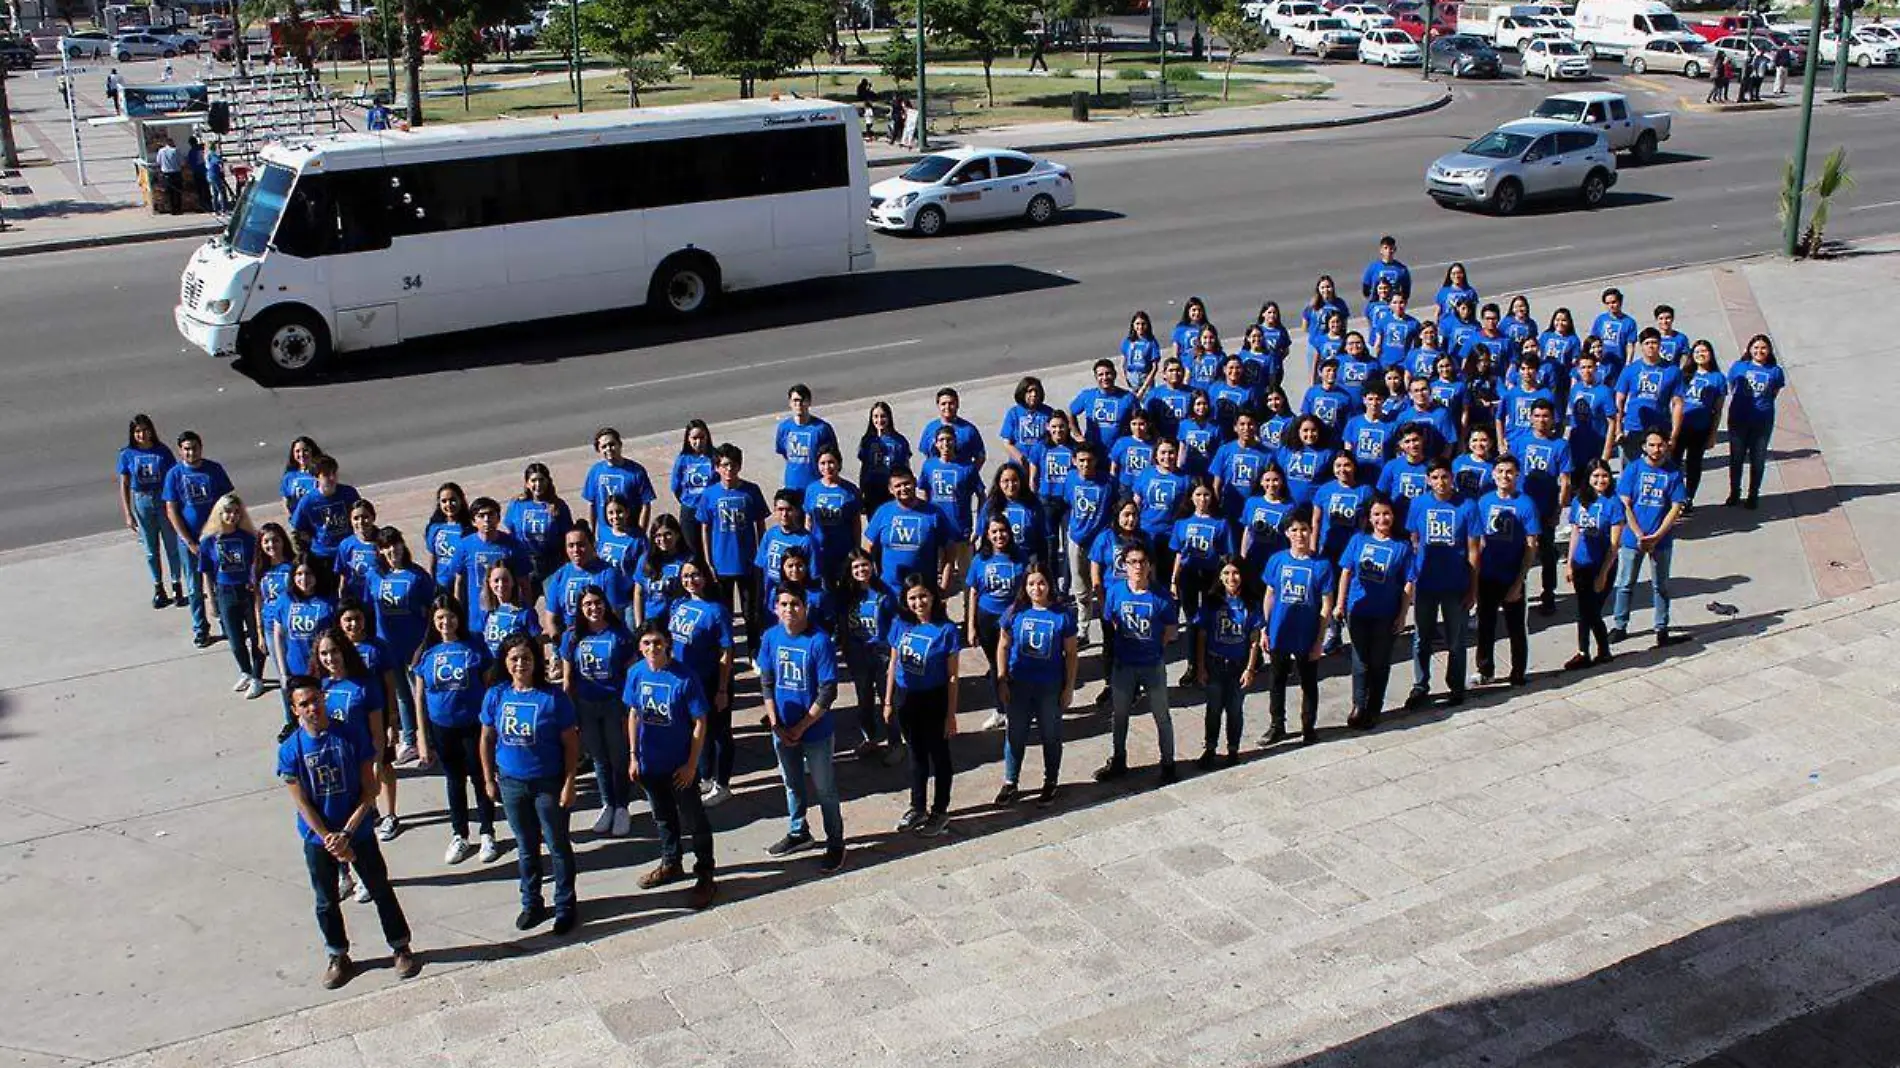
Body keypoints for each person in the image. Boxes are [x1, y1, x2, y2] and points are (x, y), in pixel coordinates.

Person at [277, 676, 420, 990]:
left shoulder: (350, 735)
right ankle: (338, 955)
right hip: (319, 839)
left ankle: (400, 947)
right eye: (304, 704)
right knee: (326, 900)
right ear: (294, 709)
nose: (312, 708)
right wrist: (329, 838)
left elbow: (370, 791)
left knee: (380, 888)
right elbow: (301, 803)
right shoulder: (291, 750)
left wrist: (347, 832)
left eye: (316, 700)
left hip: (358, 830)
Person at [481, 634, 582, 935]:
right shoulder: (497, 695)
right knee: (526, 848)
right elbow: (486, 738)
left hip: (548, 783)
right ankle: (531, 903)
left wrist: (570, 782)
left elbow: (571, 744)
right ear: (505, 662)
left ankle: (565, 905)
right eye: (514, 658)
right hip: (512, 782)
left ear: (536, 661)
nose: (520, 663)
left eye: (526, 657)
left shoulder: (553, 698)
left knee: (557, 845)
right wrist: (488, 778)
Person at [624, 621, 718, 909]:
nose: (652, 648)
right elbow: (634, 713)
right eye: (647, 643)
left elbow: (700, 722)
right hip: (650, 763)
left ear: (667, 644)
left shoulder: (684, 678)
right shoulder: (636, 673)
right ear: (640, 647)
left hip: (680, 765)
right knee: (662, 816)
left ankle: (705, 874)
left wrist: (692, 764)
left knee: (695, 820)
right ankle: (671, 862)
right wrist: (633, 755)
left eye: (657, 642)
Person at [758, 587, 846, 872]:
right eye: (783, 604)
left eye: (795, 604)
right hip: (782, 729)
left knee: (825, 790)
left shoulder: (819, 641)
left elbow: (828, 692)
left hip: (815, 731)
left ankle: (835, 842)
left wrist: (802, 726)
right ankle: (799, 832)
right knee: (792, 784)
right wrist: (775, 723)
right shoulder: (770, 637)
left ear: (805, 607)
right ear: (775, 608)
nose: (789, 610)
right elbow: (767, 682)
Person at [412, 596, 500, 865]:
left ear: (458, 618)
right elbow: (419, 698)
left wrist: (491, 728)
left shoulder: (475, 645)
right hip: (442, 727)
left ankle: (487, 832)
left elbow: (488, 685)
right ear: (433, 622)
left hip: (473, 725)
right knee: (454, 780)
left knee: (479, 776)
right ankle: (460, 833)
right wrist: (422, 738)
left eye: (450, 616)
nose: (446, 622)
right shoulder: (426, 653)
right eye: (440, 618)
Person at [1097, 544, 1179, 784]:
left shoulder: (1161, 596)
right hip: (1124, 664)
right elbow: (1111, 621)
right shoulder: (1115, 592)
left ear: (1150, 566)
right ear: (1124, 565)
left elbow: (1171, 630)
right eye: (1132, 562)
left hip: (1151, 664)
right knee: (1119, 715)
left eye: (1142, 561)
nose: (1138, 567)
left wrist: (1154, 647)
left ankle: (1168, 763)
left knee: (1161, 715)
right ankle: (1119, 759)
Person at [885, 577, 961, 835]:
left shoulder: (947, 629)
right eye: (913, 598)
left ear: (933, 598)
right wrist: (887, 701)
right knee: (915, 755)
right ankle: (917, 806)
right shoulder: (900, 625)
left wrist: (951, 714)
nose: (919, 603)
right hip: (906, 698)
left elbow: (952, 676)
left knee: (939, 756)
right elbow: (893, 664)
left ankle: (940, 811)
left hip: (934, 698)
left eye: (923, 596)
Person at [996, 562, 1076, 804]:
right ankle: (1011, 782)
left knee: (1050, 735)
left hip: (1049, 686)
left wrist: (1069, 687)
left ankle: (1050, 780)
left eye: (1041, 583)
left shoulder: (1062, 615)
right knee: (1015, 735)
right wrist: (1001, 679)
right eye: (1031, 583)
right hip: (1019, 684)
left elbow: (1071, 654)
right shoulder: (1014, 612)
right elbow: (1003, 645)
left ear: (1050, 585)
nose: (1037, 588)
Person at [560, 586, 636, 838]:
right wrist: (570, 712)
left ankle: (623, 806)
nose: (594, 608)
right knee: (598, 757)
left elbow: (631, 672)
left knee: (618, 756)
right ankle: (608, 804)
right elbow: (568, 678)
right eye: (588, 605)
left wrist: (629, 708)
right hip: (585, 704)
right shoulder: (572, 637)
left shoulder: (620, 634)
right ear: (580, 609)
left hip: (614, 703)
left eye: (597, 603)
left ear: (605, 604)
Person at [1405, 460, 1480, 710]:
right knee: (1421, 638)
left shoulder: (1467, 505)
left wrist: (1472, 588)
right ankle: (1420, 684)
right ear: (1428, 480)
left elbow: (1473, 551)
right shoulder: (1418, 504)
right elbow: (1414, 541)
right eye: (1435, 477)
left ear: (1452, 477)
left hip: (1455, 583)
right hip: (1426, 583)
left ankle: (1456, 686)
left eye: (1444, 477)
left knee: (1456, 639)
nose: (1440, 482)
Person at [1334, 498, 1414, 729]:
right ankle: (1358, 705)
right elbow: (1346, 573)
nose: (1382, 519)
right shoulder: (1358, 540)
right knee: (1360, 661)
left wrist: (1402, 616)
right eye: (1376, 514)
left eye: (1386, 514)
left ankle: (1374, 706)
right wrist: (1340, 605)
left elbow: (1408, 583)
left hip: (1385, 613)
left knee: (1379, 662)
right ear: (1369, 518)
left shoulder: (1402, 546)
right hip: (1358, 610)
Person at [1260, 509, 1334, 747]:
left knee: (1308, 681)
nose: (1300, 534)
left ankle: (1308, 727)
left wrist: (1319, 639)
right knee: (1277, 680)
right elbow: (1269, 595)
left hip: (1307, 631)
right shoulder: (1277, 560)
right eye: (1294, 530)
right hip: (1280, 629)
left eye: (1304, 529)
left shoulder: (1321, 564)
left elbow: (1326, 603)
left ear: (1311, 531)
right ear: (1286, 533)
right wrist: (1265, 627)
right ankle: (1276, 725)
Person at [1611, 431, 1689, 648]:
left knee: (1661, 586)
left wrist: (1657, 536)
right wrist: (1638, 534)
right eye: (1652, 445)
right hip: (1632, 539)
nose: (1656, 449)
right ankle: (1620, 625)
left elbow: (1676, 508)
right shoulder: (1633, 469)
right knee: (1625, 584)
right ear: (1644, 446)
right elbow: (1624, 503)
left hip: (1661, 541)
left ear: (1666, 446)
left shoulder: (1673, 473)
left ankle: (1661, 628)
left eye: (1660, 445)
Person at [666, 560, 736, 802]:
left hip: (710, 680)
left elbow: (726, 652)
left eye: (695, 575)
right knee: (699, 730)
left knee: (719, 733)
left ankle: (723, 783)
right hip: (686, 681)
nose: (690, 581)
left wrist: (723, 688)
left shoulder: (717, 611)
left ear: (706, 577)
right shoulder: (678, 604)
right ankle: (705, 776)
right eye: (685, 576)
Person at [1471, 455, 1540, 688]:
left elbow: (1531, 545)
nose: (1504, 476)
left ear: (1517, 475)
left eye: (1509, 472)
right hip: (1487, 574)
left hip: (1512, 574)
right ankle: (1485, 669)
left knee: (1516, 627)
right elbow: (1478, 541)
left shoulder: (1526, 504)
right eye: (1500, 471)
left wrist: (1519, 581)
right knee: (1486, 625)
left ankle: (1518, 671)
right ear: (1493, 474)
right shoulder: (1484, 501)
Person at [695, 444, 769, 660]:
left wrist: (761, 554)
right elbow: (705, 527)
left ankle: (754, 651)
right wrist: (708, 561)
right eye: (724, 465)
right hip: (721, 563)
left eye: (733, 465)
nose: (729, 470)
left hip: (747, 562)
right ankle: (727, 651)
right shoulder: (710, 494)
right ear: (717, 467)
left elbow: (760, 524)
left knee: (750, 611)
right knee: (724, 612)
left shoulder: (751, 490)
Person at [163, 430, 235, 647]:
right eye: (186, 449)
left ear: (201, 448)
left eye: (194, 447)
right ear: (180, 451)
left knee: (220, 582)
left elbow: (227, 500)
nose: (191, 452)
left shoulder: (214, 470)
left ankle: (227, 623)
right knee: (195, 586)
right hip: (190, 540)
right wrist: (189, 541)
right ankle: (201, 628)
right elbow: (172, 510)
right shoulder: (175, 474)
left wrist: (225, 528)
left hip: (216, 537)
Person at [1506, 400, 1572, 615]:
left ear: (1553, 419)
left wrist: (1558, 511)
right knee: (1517, 553)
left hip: (1545, 508)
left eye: (1546, 416)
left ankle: (1548, 592)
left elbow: (1565, 480)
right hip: (1522, 507)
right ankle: (1516, 591)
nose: (1541, 420)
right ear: (1530, 417)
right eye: (1537, 415)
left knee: (1546, 553)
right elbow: (1509, 473)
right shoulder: (1519, 442)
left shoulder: (1560, 445)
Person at [1195, 557, 1260, 767]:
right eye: (1226, 573)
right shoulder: (1212, 601)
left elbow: (1254, 639)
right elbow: (1202, 636)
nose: (1231, 578)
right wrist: (1201, 666)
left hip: (1238, 664)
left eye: (1235, 573)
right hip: (1214, 663)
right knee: (1213, 708)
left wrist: (1250, 668)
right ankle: (1210, 748)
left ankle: (1233, 749)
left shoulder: (1250, 603)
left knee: (1235, 709)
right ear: (1220, 577)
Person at [199, 493, 265, 697]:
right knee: (235, 640)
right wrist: (211, 600)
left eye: (237, 512)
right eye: (228, 512)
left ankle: (257, 676)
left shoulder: (249, 538)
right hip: (225, 592)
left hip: (248, 591)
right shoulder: (209, 541)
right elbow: (206, 572)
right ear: (219, 513)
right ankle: (245, 671)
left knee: (256, 637)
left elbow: (258, 565)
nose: (233, 516)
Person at [117, 414, 182, 610]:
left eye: (145, 430)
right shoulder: (127, 454)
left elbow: (174, 478)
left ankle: (176, 584)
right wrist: (128, 513)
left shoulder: (162, 451)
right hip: (142, 500)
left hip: (162, 499)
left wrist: (175, 505)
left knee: (171, 545)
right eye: (137, 431)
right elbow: (125, 484)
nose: (142, 435)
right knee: (151, 550)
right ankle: (158, 587)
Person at [839, 550, 899, 760]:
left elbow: (895, 624)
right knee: (863, 699)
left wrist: (893, 653)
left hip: (882, 654)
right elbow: (843, 625)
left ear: (872, 566)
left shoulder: (884, 594)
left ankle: (895, 743)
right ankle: (870, 738)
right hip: (857, 655)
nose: (861, 570)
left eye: (864, 565)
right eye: (856, 567)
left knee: (887, 698)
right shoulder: (847, 595)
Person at [967, 517, 1028, 723]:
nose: (999, 535)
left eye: (1003, 531)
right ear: (987, 535)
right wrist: (971, 626)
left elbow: (1027, 589)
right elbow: (973, 592)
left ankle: (1017, 707)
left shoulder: (1020, 558)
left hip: (1013, 618)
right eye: (994, 532)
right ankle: (1000, 709)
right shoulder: (979, 560)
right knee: (995, 665)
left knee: (1014, 662)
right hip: (987, 617)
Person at [1564, 461, 1623, 671]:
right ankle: (1585, 652)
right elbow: (1575, 533)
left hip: (1601, 566)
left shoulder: (1614, 503)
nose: (1600, 481)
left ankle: (1602, 650)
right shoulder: (1579, 501)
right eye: (1595, 476)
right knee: (1583, 610)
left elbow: (1614, 545)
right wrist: (1569, 563)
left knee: (1592, 611)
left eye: (1604, 476)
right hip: (1581, 564)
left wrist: (1603, 575)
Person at [864, 467, 954, 594]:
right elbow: (869, 548)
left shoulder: (934, 513)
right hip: (889, 589)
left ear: (915, 482)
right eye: (898, 486)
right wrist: (872, 580)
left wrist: (944, 585)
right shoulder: (883, 512)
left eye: (907, 483)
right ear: (890, 489)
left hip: (923, 592)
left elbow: (950, 552)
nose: (903, 489)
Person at [1726, 333, 1785, 510]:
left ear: (1769, 351)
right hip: (1738, 420)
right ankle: (1735, 492)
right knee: (1736, 458)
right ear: (1749, 349)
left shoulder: (1775, 371)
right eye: (1756, 348)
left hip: (1761, 422)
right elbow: (1732, 387)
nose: (1759, 351)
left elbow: (1774, 392)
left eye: (1763, 348)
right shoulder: (1739, 367)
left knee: (1757, 459)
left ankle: (1753, 494)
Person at [1614, 328, 1685, 465]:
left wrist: (1674, 434)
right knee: (1631, 467)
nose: (1651, 346)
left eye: (1654, 342)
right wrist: (1618, 429)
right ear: (1641, 346)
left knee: (1660, 467)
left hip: (1660, 427)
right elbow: (1619, 400)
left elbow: (1678, 404)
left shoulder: (1672, 371)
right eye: (1647, 343)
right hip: (1633, 427)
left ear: (1660, 345)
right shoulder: (1631, 370)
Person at [1674, 340, 1727, 514]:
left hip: (1700, 428)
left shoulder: (1718, 378)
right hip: (1681, 426)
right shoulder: (1685, 375)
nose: (1700, 355)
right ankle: (1675, 496)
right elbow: (1674, 401)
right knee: (1674, 463)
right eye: (1697, 352)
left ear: (1710, 354)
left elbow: (1717, 410)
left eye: (1704, 351)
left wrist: (1712, 435)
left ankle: (1689, 497)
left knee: (1694, 464)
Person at [503, 463, 574, 588]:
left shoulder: (558, 505)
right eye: (533, 480)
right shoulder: (517, 504)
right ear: (527, 483)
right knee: (523, 604)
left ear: (548, 481)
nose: (538, 484)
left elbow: (568, 536)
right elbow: (511, 531)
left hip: (552, 564)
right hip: (526, 563)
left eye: (541, 480)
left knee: (554, 604)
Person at [803, 446, 862, 586]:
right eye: (822, 463)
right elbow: (808, 520)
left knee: (844, 589)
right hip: (819, 550)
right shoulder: (812, 489)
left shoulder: (850, 490)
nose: (827, 467)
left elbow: (856, 523)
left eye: (831, 462)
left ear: (839, 464)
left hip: (843, 549)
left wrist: (856, 549)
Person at [580, 427, 655, 534]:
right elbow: (592, 504)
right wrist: (592, 532)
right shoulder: (595, 471)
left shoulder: (636, 471)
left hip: (630, 533)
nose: (608, 449)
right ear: (598, 450)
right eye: (604, 446)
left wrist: (641, 532)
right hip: (605, 534)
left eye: (612, 444)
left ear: (620, 444)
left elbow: (645, 504)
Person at [776, 384, 839, 494]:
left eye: (802, 400)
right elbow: (785, 454)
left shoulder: (821, 429)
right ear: (790, 403)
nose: (799, 404)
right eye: (795, 400)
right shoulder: (784, 428)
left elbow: (833, 457)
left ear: (809, 402)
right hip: (792, 486)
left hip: (815, 486)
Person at [670, 420, 717, 554]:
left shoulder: (714, 456)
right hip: (690, 511)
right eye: (694, 438)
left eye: (702, 437)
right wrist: (687, 501)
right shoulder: (683, 459)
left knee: (712, 548)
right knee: (692, 550)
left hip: (711, 510)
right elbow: (676, 486)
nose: (698, 442)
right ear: (688, 439)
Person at [857, 402, 912, 512]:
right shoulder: (867, 441)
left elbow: (906, 468)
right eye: (876, 417)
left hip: (892, 491)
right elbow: (864, 468)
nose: (879, 420)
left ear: (889, 417)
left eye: (883, 416)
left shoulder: (899, 441)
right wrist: (861, 492)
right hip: (872, 490)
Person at [922, 387, 986, 467]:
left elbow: (980, 457)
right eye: (943, 404)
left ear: (957, 404)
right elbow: (927, 455)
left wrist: (969, 475)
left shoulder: (969, 430)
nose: (947, 407)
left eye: (951, 403)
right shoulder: (930, 428)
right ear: (938, 405)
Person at [1360, 234, 1412, 307]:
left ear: (1395, 249)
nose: (1388, 251)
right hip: (1376, 305)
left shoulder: (1402, 269)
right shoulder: (1373, 267)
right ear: (1381, 250)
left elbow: (1406, 292)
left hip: (1393, 306)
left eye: (1391, 248)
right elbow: (1366, 288)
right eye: (1385, 248)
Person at [1122, 311, 1163, 397]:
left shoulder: (1151, 342)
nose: (1140, 327)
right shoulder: (1128, 341)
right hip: (1132, 376)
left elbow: (1154, 367)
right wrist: (1126, 377)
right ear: (1133, 325)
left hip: (1145, 376)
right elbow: (1124, 361)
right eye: (1137, 324)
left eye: (1143, 324)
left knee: (1147, 403)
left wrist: (1144, 387)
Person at [154, 137, 183, 214]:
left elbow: (158, 162)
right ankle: (178, 209)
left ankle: (172, 210)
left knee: (169, 193)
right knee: (178, 192)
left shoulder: (161, 151)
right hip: (176, 173)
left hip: (166, 174)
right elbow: (181, 162)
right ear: (171, 142)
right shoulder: (176, 150)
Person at [206, 141, 229, 214]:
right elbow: (216, 161)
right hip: (215, 174)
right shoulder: (213, 154)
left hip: (210, 174)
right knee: (222, 191)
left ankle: (215, 209)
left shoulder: (207, 154)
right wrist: (222, 160)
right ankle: (223, 209)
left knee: (215, 193)